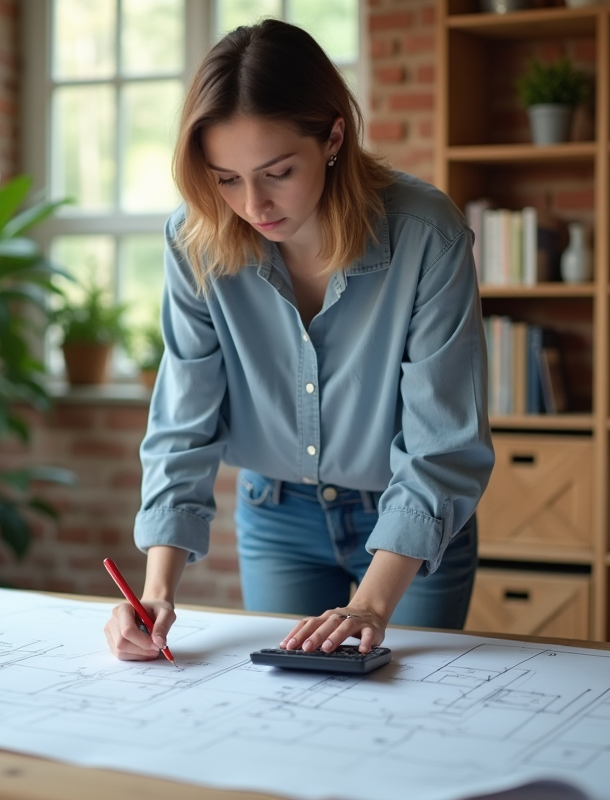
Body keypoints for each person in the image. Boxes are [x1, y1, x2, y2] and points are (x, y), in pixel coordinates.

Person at [103, 19, 493, 663]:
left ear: (333, 136)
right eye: (226, 178)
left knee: (410, 704)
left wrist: (371, 604)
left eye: (277, 172)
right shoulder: (194, 240)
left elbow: (443, 445)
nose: (253, 204)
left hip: (409, 518)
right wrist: (156, 593)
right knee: (290, 702)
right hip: (275, 515)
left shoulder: (427, 235)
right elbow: (183, 420)